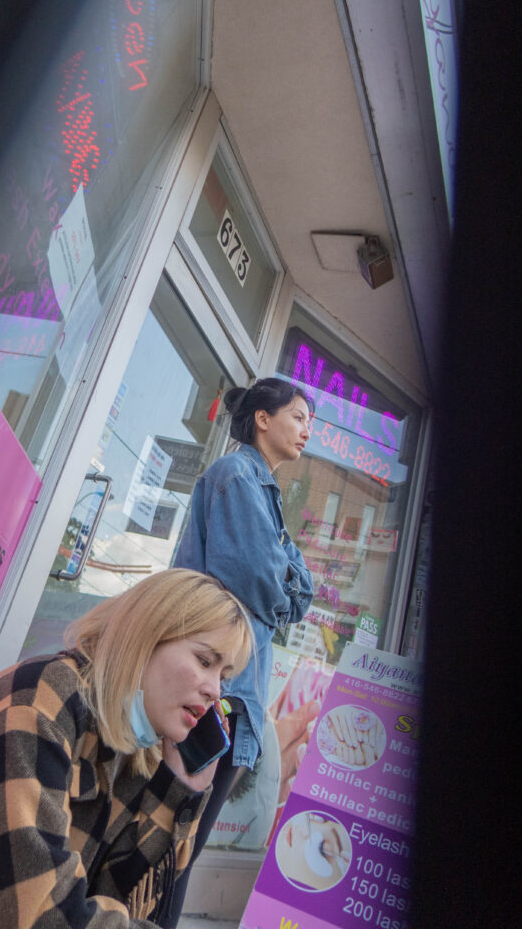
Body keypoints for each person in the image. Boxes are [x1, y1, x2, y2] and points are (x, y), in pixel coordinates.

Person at [0, 569, 251, 928]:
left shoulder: (139, 745)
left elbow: (121, 899)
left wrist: (178, 792)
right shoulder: (44, 698)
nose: (215, 690)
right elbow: (42, 916)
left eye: (223, 675)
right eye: (205, 661)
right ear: (147, 637)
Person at [168, 377, 316, 922]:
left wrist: (283, 585)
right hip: (213, 690)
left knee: (184, 846)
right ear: (262, 417)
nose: (306, 430)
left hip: (236, 692)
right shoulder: (236, 475)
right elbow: (259, 577)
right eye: (298, 416)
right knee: (171, 841)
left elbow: (300, 593)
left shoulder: (267, 494)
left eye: (309, 422)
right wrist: (283, 586)